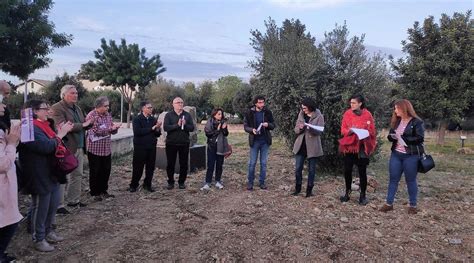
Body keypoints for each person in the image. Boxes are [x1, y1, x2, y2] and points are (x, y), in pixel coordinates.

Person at [19, 100, 73, 252]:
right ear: (35, 111)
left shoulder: (45, 125)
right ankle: (39, 238)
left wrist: (59, 133)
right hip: (38, 172)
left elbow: (53, 143)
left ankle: (49, 231)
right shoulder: (29, 127)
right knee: (41, 206)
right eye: (45, 108)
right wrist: (60, 135)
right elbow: (45, 146)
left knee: (52, 203)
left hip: (51, 170)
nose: (48, 110)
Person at [51, 85, 93, 213]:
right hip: (66, 147)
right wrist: (84, 124)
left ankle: (73, 200)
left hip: (79, 146)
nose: (76, 95)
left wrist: (89, 123)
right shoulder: (57, 108)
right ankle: (59, 205)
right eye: (72, 93)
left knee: (77, 174)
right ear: (64, 95)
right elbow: (62, 126)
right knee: (63, 176)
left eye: (76, 93)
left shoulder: (78, 108)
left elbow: (82, 124)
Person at [380, 99, 425, 215]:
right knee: (393, 179)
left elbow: (420, 138)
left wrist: (404, 139)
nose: (395, 111)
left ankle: (413, 205)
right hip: (396, 154)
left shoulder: (416, 122)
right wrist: (392, 137)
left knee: (410, 180)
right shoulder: (396, 122)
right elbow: (390, 136)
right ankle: (389, 204)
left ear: (404, 108)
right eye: (395, 108)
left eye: (396, 108)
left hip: (411, 156)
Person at [338, 94, 377, 205]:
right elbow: (343, 129)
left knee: (362, 172)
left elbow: (372, 131)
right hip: (349, 147)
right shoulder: (347, 113)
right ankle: (347, 193)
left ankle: (363, 195)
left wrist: (363, 132)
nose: (352, 105)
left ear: (360, 103)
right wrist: (350, 131)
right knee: (347, 171)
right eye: (351, 103)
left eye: (354, 103)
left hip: (362, 147)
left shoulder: (367, 114)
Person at [86, 97, 121, 200]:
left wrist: (115, 129)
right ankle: (94, 192)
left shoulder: (108, 115)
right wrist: (110, 129)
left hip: (106, 149)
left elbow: (111, 129)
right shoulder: (91, 116)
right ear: (98, 106)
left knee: (106, 170)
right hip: (95, 149)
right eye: (105, 106)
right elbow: (96, 130)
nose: (107, 108)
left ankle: (103, 190)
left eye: (108, 106)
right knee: (95, 171)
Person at [0, 103, 21, 263]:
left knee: (10, 221)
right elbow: (2, 164)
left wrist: (12, 141)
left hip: (6, 184)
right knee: (9, 222)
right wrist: (12, 144)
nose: (4, 104)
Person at [292, 98, 324, 197]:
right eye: (302, 108)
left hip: (313, 146)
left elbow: (320, 131)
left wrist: (310, 128)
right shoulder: (301, 114)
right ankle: (297, 189)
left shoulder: (319, 116)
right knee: (298, 168)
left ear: (310, 107)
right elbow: (296, 129)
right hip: (301, 145)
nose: (303, 110)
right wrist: (300, 128)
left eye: (305, 108)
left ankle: (309, 191)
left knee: (312, 170)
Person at [243, 95, 275, 190]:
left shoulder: (267, 112)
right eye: (260, 102)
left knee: (263, 163)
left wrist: (268, 124)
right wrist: (251, 130)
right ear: (255, 103)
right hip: (255, 141)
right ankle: (250, 182)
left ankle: (262, 182)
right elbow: (245, 126)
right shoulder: (249, 113)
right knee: (252, 163)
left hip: (265, 141)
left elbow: (273, 125)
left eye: (263, 102)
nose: (262, 104)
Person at [129, 101, 161, 192]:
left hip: (151, 147)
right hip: (140, 147)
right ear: (143, 108)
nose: (151, 109)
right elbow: (138, 132)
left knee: (150, 167)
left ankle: (147, 185)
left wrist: (158, 128)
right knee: (138, 167)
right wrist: (152, 128)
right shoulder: (137, 119)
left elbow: (157, 134)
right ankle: (133, 185)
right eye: (149, 107)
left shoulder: (153, 119)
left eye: (151, 107)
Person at [163, 97, 194, 190]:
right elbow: (166, 128)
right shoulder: (169, 115)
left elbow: (192, 128)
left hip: (184, 143)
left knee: (184, 164)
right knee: (170, 164)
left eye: (181, 102)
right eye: (178, 102)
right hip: (171, 143)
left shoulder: (187, 115)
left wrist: (186, 124)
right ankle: (170, 182)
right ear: (173, 104)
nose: (180, 104)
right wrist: (177, 125)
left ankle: (181, 182)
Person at [201, 108, 229, 191]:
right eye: (218, 114)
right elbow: (208, 134)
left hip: (221, 146)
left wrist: (224, 128)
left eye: (221, 114)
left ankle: (218, 181)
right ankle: (207, 182)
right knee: (211, 164)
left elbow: (226, 134)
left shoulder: (223, 122)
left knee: (219, 164)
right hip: (212, 146)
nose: (220, 116)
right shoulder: (209, 122)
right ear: (214, 115)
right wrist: (218, 130)